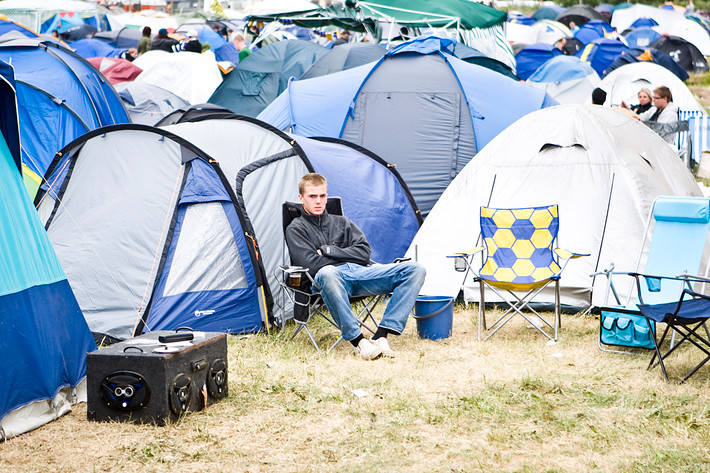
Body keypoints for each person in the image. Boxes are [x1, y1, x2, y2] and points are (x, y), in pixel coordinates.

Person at [285, 173, 426, 360]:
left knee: (415, 269)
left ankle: (381, 336)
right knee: (327, 272)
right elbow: (312, 265)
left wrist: (328, 250)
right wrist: (347, 254)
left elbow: (364, 253)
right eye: (312, 196)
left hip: (361, 273)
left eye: (322, 196)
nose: (318, 201)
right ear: (301, 198)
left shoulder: (342, 223)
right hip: (329, 281)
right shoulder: (296, 228)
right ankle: (359, 342)